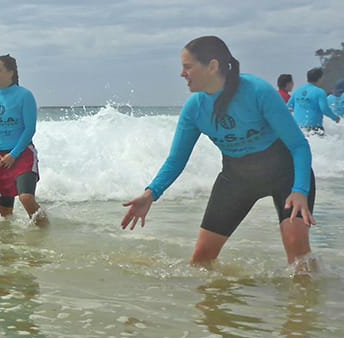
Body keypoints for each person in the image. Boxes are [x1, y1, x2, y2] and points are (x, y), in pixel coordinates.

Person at [121, 36, 316, 267]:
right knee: (201, 259)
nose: (182, 74)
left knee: (298, 254)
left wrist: (300, 190)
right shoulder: (194, 109)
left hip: (286, 174)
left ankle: (305, 300)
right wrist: (150, 193)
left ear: (212, 66)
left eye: (187, 67)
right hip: (237, 178)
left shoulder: (257, 91)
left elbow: (298, 145)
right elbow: (176, 161)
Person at [0, 54, 46, 223]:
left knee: (26, 198)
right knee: (5, 215)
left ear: (11, 73)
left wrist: (14, 154)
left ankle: (46, 233)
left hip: (23, 154)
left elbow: (29, 129)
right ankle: (10, 246)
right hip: (1, 158)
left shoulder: (25, 95)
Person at [287, 67, 340, 136]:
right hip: (315, 128)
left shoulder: (298, 90)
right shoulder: (320, 92)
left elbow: (288, 107)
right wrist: (335, 118)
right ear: (320, 78)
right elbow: (324, 109)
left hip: (299, 128)